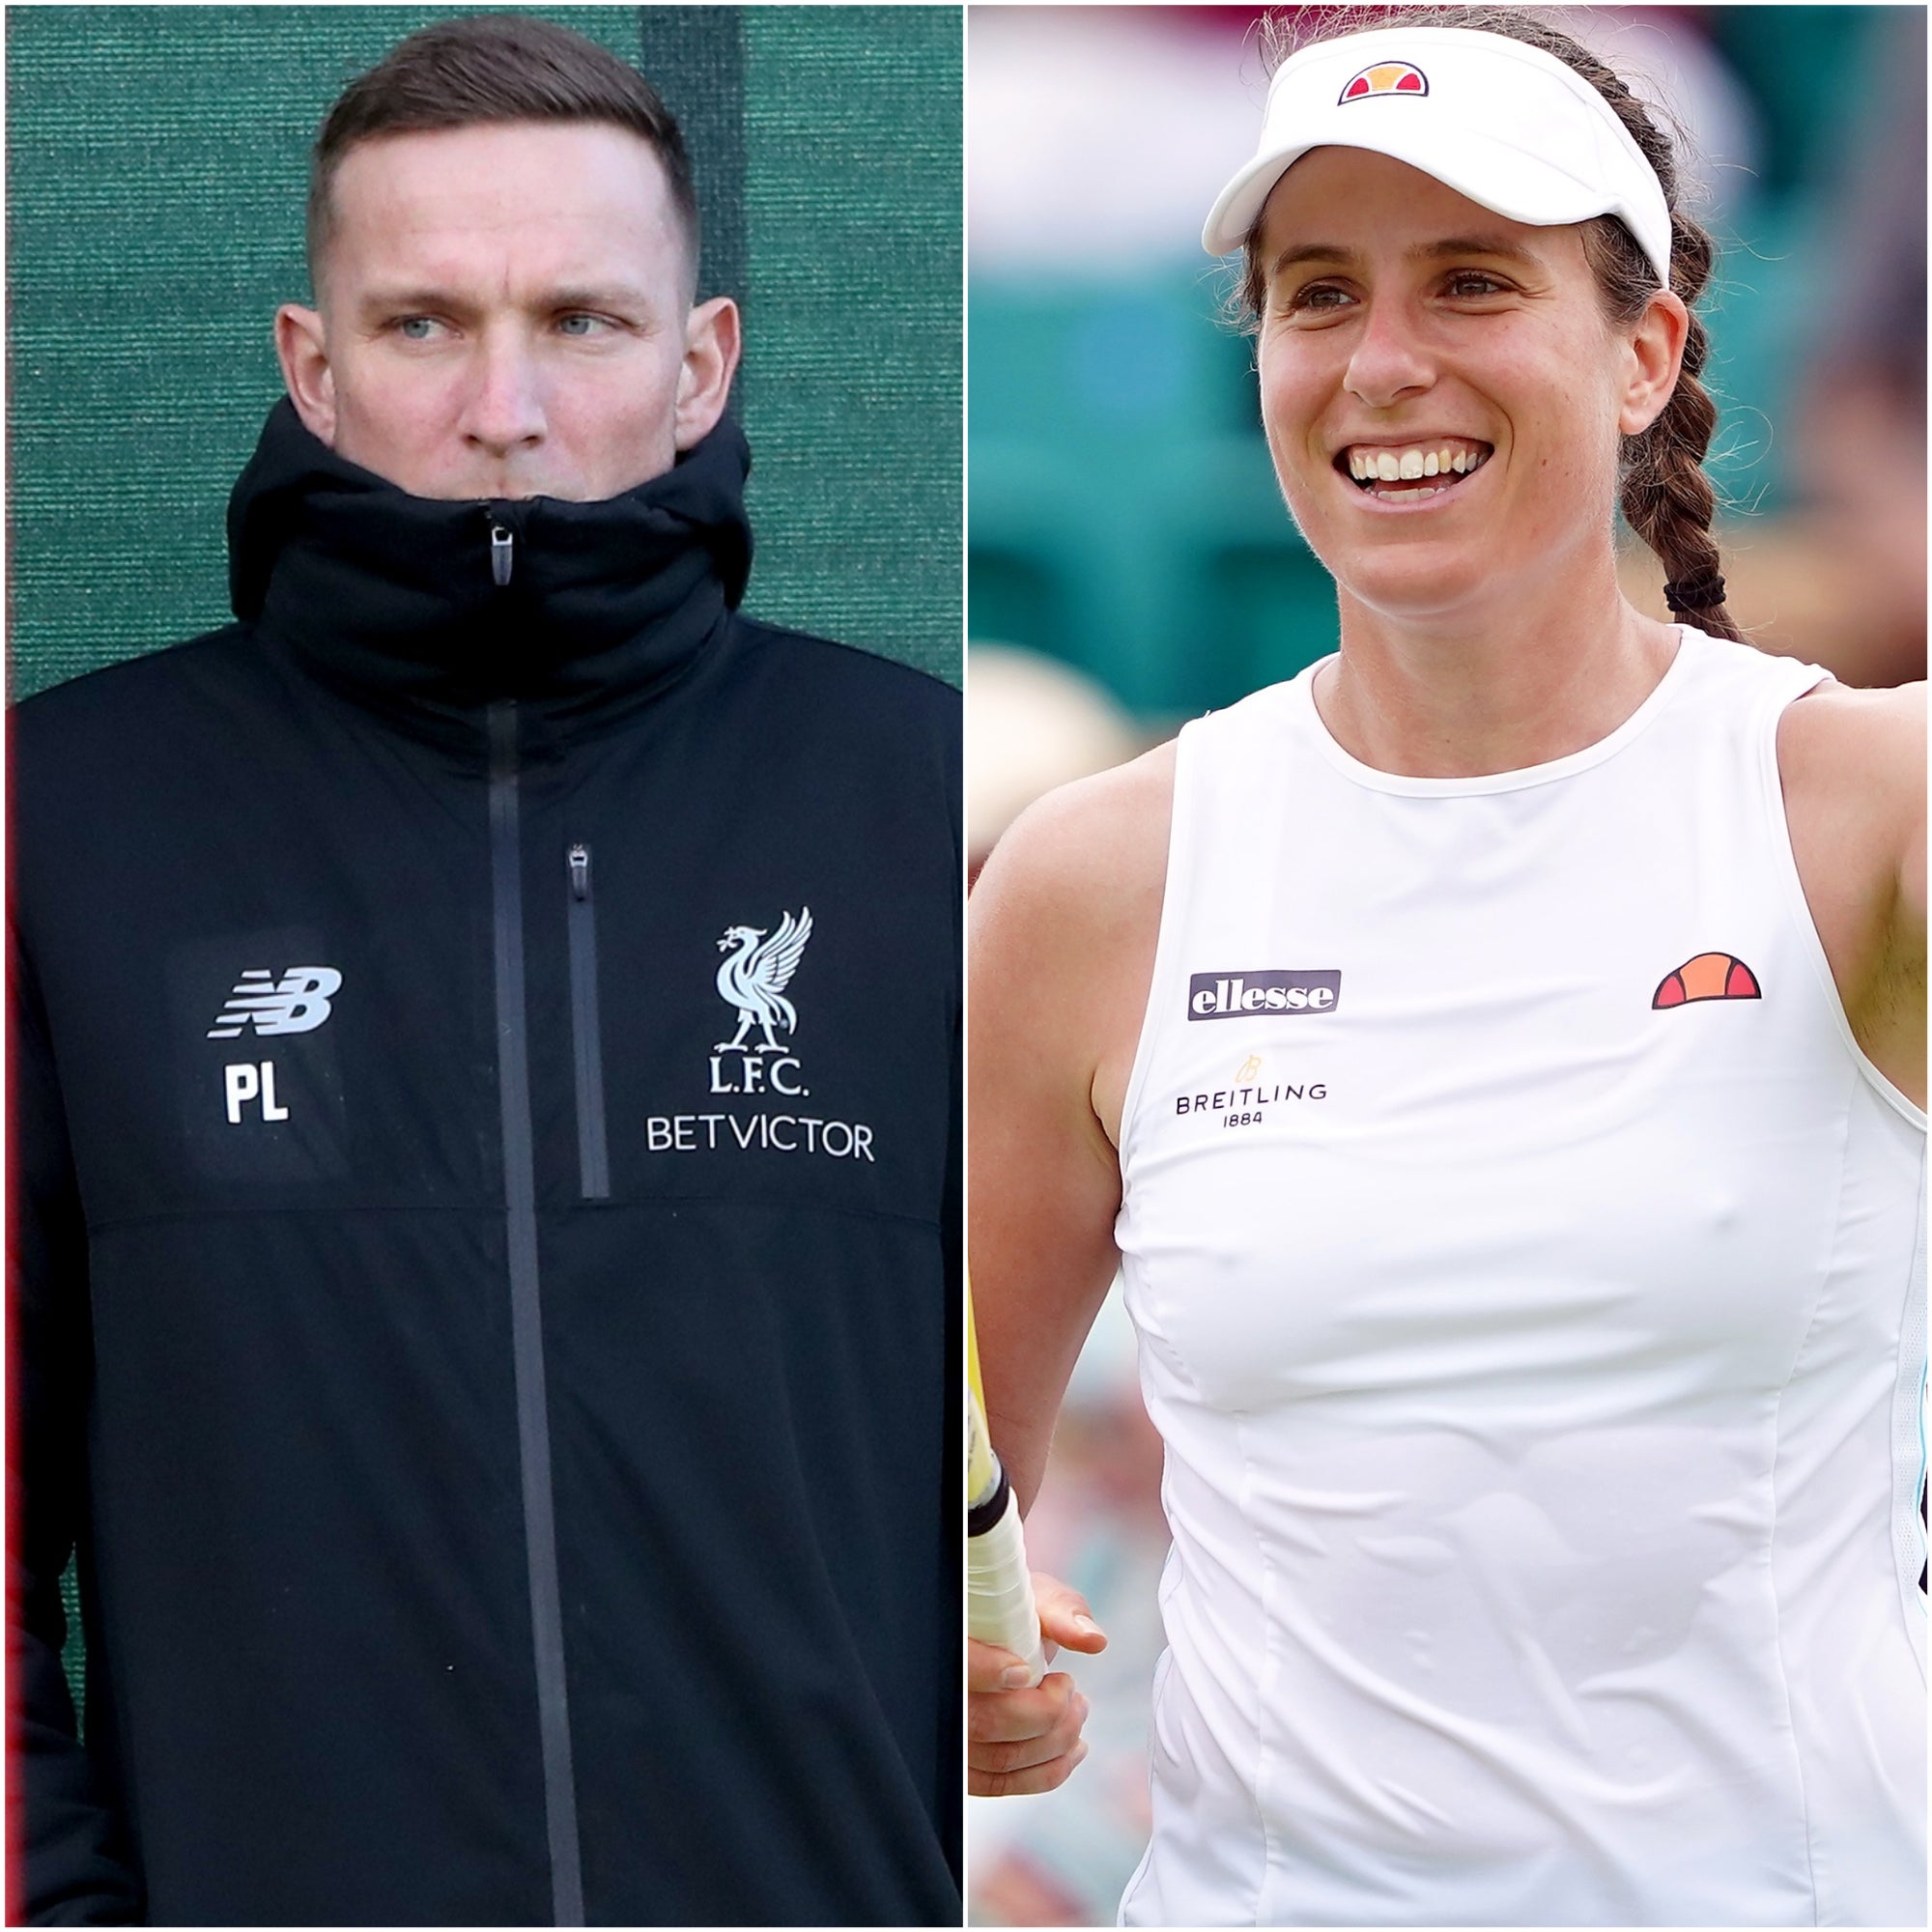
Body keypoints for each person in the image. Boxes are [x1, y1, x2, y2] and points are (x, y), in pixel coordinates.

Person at [968, 9, 1924, 1926]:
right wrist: (974, 1646)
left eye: (1473, 283)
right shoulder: (1093, 883)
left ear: (1644, 350)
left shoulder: (1865, 805)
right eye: (1318, 293)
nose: (1383, 362)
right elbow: (918, 1489)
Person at [10, 16, 959, 1926]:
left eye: (585, 323)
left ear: (701, 367)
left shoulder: (916, 805)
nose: (504, 404)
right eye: (425, 322)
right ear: (316, 365)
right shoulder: (65, 819)